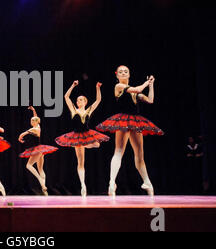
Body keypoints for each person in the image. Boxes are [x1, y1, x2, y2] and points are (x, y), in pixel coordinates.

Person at [96, 65, 163, 197]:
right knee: (119, 151)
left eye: (125, 71)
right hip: (123, 120)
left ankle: (147, 182)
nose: (123, 73)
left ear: (129, 74)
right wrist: (146, 82)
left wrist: (151, 85)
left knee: (139, 155)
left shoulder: (134, 92)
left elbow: (150, 100)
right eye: (120, 72)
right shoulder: (119, 86)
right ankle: (112, 182)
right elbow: (137, 89)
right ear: (117, 75)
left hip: (135, 122)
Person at [55, 81, 110, 197]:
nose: (78, 101)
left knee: (97, 145)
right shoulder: (73, 110)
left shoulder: (89, 110)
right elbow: (66, 97)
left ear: (85, 102)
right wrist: (73, 86)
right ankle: (83, 185)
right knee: (80, 162)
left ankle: (83, 144)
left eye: (81, 99)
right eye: (77, 100)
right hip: (76, 136)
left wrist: (97, 88)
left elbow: (98, 100)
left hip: (86, 135)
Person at [19, 106, 58, 196]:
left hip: (37, 150)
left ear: (37, 121)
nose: (31, 121)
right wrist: (34, 111)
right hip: (39, 150)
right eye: (31, 120)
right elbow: (36, 117)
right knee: (40, 169)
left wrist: (20, 137)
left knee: (28, 165)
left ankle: (40, 180)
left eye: (33, 120)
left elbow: (23, 134)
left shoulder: (35, 129)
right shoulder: (38, 126)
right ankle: (44, 188)